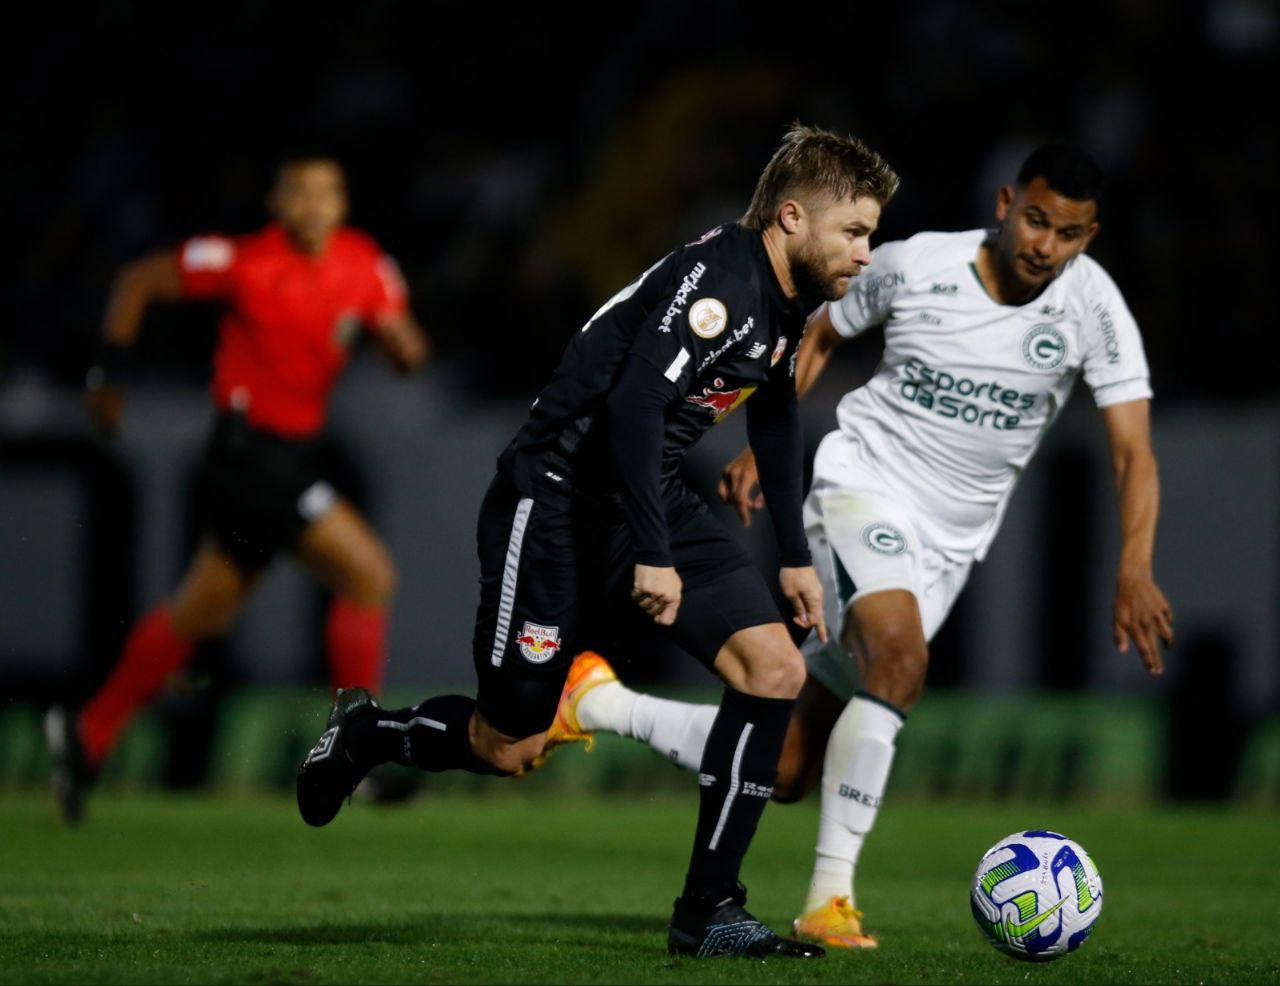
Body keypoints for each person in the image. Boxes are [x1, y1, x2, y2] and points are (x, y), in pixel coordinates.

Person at [546, 144, 1175, 949]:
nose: (1045, 245)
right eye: (1038, 220)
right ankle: (829, 902)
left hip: (951, 545)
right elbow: (813, 336)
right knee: (901, 663)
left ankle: (598, 701)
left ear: (1091, 237)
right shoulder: (917, 266)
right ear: (1009, 202)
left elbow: (1133, 450)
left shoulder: (1095, 309)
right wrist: (757, 444)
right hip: (861, 487)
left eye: (1071, 234)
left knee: (786, 768)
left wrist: (1132, 565)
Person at [294, 124, 900, 958]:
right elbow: (632, 407)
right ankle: (369, 735)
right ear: (793, 217)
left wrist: (792, 554)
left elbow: (775, 410)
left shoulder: (787, 296)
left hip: (643, 496)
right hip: (554, 504)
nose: (867, 253)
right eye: (856, 231)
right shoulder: (717, 282)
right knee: (509, 746)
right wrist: (652, 551)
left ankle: (710, 911)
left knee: (775, 669)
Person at [45, 157, 429, 823]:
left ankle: (88, 734)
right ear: (276, 201)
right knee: (369, 576)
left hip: (288, 456)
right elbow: (139, 280)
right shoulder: (243, 261)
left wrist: (398, 343)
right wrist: (108, 374)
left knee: (202, 612)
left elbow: (409, 351)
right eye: (300, 193)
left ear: (342, 205)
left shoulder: (363, 263)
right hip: (247, 452)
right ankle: (355, 755)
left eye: (328, 194)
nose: (314, 205)